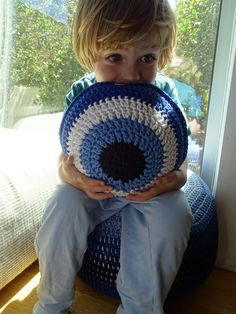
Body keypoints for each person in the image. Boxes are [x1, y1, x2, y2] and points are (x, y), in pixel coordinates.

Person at [33, 0, 193, 313]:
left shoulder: (165, 95)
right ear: (91, 53)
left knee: (175, 214)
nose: (132, 74)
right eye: (114, 57)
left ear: (162, 54)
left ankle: (140, 308)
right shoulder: (82, 94)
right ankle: (52, 302)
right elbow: (64, 161)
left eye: (147, 58)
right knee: (62, 205)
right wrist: (76, 180)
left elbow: (181, 161)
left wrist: (172, 182)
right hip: (95, 188)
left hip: (149, 190)